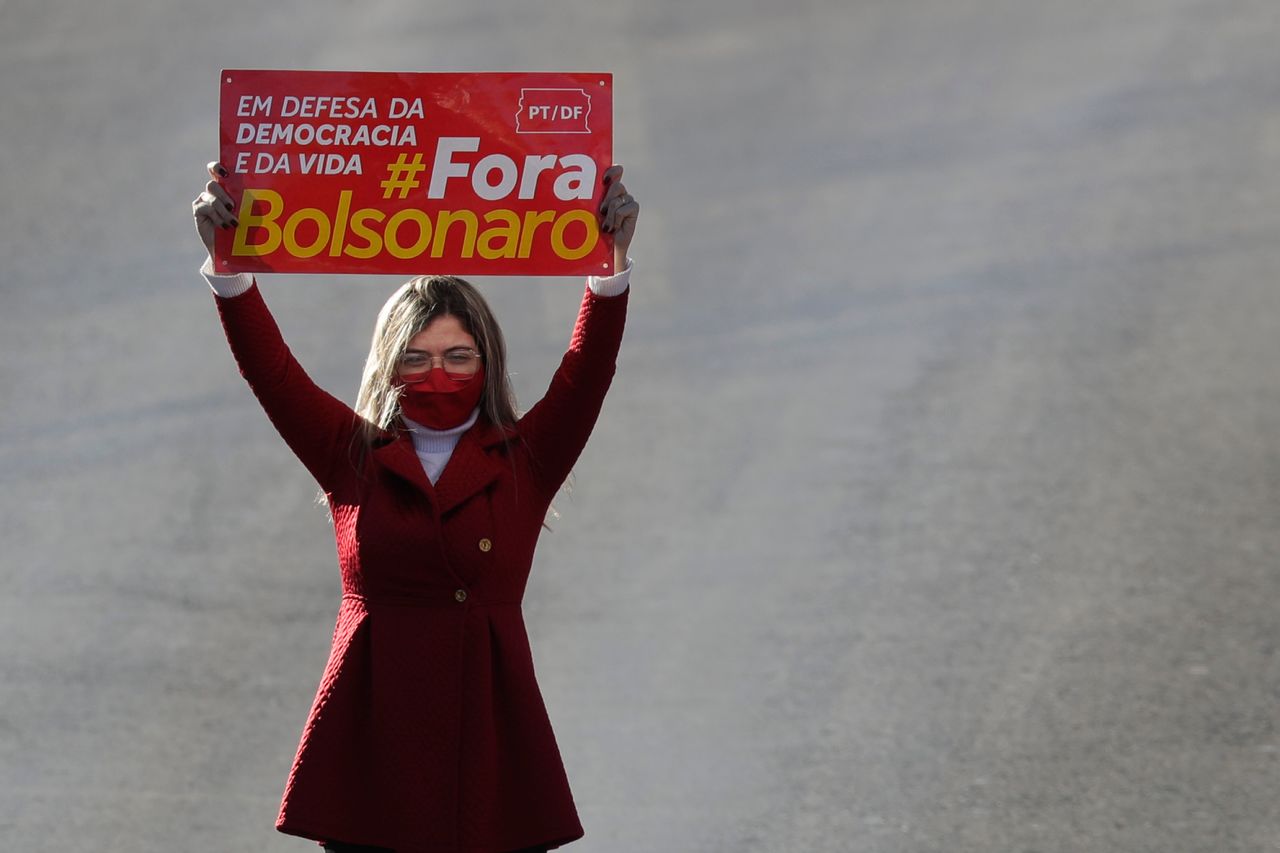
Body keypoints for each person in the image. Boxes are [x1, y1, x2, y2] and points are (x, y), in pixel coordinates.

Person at [191, 160, 639, 853]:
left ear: (487, 364)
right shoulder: (350, 454)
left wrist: (610, 267)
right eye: (417, 358)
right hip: (372, 755)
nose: (439, 375)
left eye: (459, 357)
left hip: (489, 752)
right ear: (387, 365)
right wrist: (227, 267)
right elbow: (272, 372)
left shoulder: (526, 459)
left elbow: (586, 373)